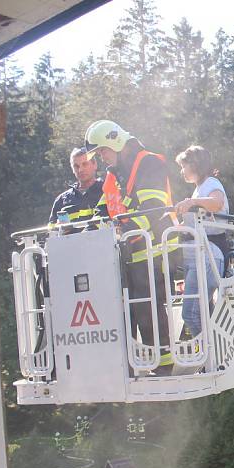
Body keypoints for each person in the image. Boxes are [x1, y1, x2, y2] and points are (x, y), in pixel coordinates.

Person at [84, 120, 177, 375]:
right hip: (131, 247)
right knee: (131, 305)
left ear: (115, 142)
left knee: (147, 303)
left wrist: (121, 231)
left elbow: (153, 209)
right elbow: (105, 206)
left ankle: (163, 364)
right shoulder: (116, 173)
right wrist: (90, 230)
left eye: (102, 151)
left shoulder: (148, 163)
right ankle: (136, 362)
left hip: (156, 247)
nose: (101, 157)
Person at [174, 145, 229, 338]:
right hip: (199, 254)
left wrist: (192, 202)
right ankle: (213, 357)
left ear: (195, 165)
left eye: (183, 165)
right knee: (204, 313)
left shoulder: (211, 183)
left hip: (209, 254)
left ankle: (210, 357)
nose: (181, 171)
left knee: (191, 313)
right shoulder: (199, 190)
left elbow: (217, 202)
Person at [48, 147, 103, 226]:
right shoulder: (61, 200)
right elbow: (51, 230)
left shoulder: (107, 191)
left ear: (95, 165)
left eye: (85, 164)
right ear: (72, 169)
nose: (80, 170)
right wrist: (58, 228)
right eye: (76, 166)